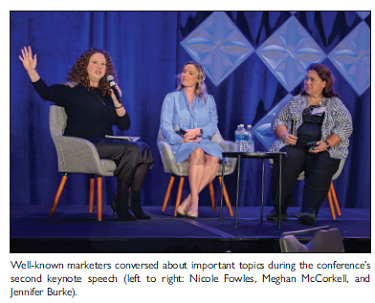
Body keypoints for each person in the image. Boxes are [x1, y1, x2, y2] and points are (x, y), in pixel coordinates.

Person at [19, 46, 153, 221]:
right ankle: (120, 203)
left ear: (107, 70)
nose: (99, 67)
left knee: (143, 149)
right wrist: (32, 71)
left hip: (105, 144)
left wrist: (116, 100)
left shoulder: (107, 95)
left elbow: (124, 124)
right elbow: (47, 93)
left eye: (103, 64)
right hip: (84, 144)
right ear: (85, 66)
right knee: (133, 150)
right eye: (94, 62)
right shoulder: (71, 89)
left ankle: (133, 202)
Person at [268, 63, 352, 225]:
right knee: (286, 156)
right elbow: (278, 121)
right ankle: (279, 210)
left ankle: (309, 211)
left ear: (324, 83)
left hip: (322, 147)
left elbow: (346, 126)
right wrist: (285, 135)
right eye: (307, 79)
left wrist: (327, 144)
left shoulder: (334, 104)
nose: (308, 83)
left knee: (324, 162)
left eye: (313, 80)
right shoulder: (296, 102)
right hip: (296, 146)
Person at [160, 61, 223, 219]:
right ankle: (195, 201)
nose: (184, 75)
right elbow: (165, 126)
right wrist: (181, 140)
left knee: (214, 157)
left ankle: (188, 200)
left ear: (198, 79)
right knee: (197, 152)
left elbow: (213, 125)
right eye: (184, 71)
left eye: (190, 73)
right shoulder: (171, 98)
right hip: (180, 143)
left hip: (203, 141)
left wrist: (198, 131)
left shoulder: (209, 100)